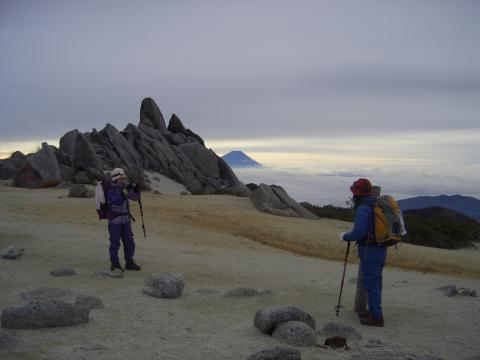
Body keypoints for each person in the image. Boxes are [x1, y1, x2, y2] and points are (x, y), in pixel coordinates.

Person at [341, 178, 386, 327]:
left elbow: (359, 232)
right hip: (381, 247)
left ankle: (376, 317)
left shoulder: (364, 208)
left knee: (371, 283)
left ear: (357, 193)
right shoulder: (377, 203)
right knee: (376, 281)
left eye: (354, 191)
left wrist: (345, 236)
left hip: (369, 249)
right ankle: (373, 311)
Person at [106, 168, 141, 272]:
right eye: (121, 178)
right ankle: (115, 264)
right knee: (115, 242)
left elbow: (134, 198)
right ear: (115, 179)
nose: (123, 180)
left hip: (126, 220)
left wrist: (136, 189)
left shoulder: (124, 187)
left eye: (123, 178)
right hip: (114, 220)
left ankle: (129, 261)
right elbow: (117, 201)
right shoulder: (110, 189)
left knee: (129, 241)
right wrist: (126, 190)